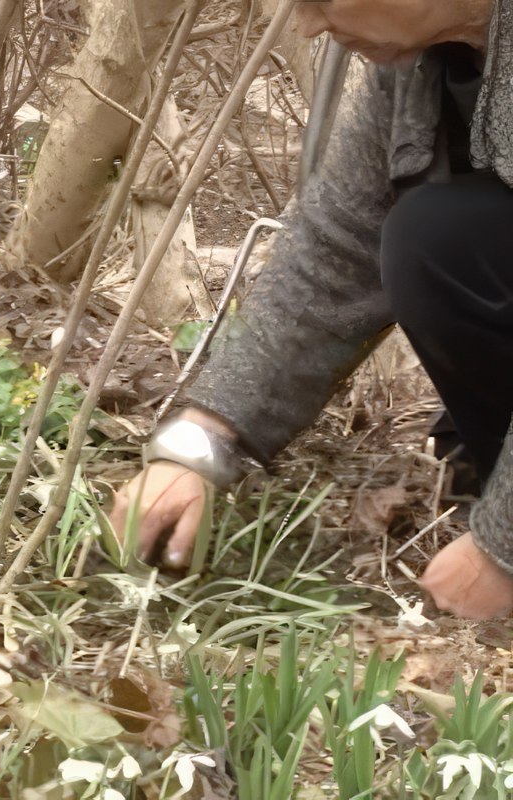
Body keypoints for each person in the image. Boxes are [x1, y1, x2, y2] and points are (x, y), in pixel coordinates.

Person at [110, 0, 513, 620]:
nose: (306, 26)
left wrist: (501, 551)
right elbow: (337, 248)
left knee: (445, 236)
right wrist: (201, 443)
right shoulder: (423, 61)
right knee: (433, 240)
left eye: (319, 0)